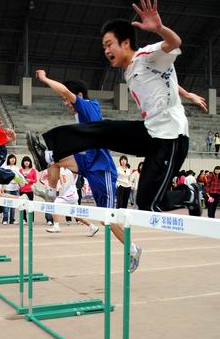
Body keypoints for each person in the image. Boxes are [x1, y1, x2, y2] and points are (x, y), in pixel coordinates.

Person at [26, 0, 206, 219]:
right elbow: (167, 79)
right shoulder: (130, 71)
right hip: (151, 131)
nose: (106, 50)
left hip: (171, 136)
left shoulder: (147, 56)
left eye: (109, 44)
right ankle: (49, 150)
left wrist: (159, 29)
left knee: (147, 205)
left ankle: (189, 194)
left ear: (125, 43)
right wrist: (187, 94)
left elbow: (175, 43)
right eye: (104, 46)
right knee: (102, 130)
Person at [33, 70, 144, 269]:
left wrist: (44, 78)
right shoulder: (82, 114)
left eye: (66, 100)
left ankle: (133, 249)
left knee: (107, 220)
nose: (65, 103)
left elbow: (65, 92)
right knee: (55, 159)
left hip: (102, 169)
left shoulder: (87, 106)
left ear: (78, 95)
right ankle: (50, 193)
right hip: (88, 162)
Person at [45, 168, 99, 236]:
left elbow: (77, 170)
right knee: (76, 215)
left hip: (70, 194)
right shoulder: (61, 169)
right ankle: (92, 227)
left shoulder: (72, 168)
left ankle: (56, 226)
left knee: (54, 205)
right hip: (69, 195)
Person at [1, 154, 20, 225]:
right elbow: (3, 177)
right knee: (6, 204)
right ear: (8, 159)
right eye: (11, 158)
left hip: (15, 188)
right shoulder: (6, 167)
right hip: (8, 187)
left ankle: (12, 220)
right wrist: (2, 186)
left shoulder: (17, 168)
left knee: (13, 205)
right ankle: (5, 219)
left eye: (14, 158)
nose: (12, 159)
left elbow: (19, 177)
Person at [19, 156, 37, 223]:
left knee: (30, 205)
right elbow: (18, 179)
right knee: (23, 205)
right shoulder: (20, 170)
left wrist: (30, 180)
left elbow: (35, 180)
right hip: (22, 190)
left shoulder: (33, 170)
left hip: (30, 190)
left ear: (30, 162)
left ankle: (31, 219)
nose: (26, 162)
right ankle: (24, 219)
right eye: (25, 161)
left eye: (28, 161)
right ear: (23, 162)